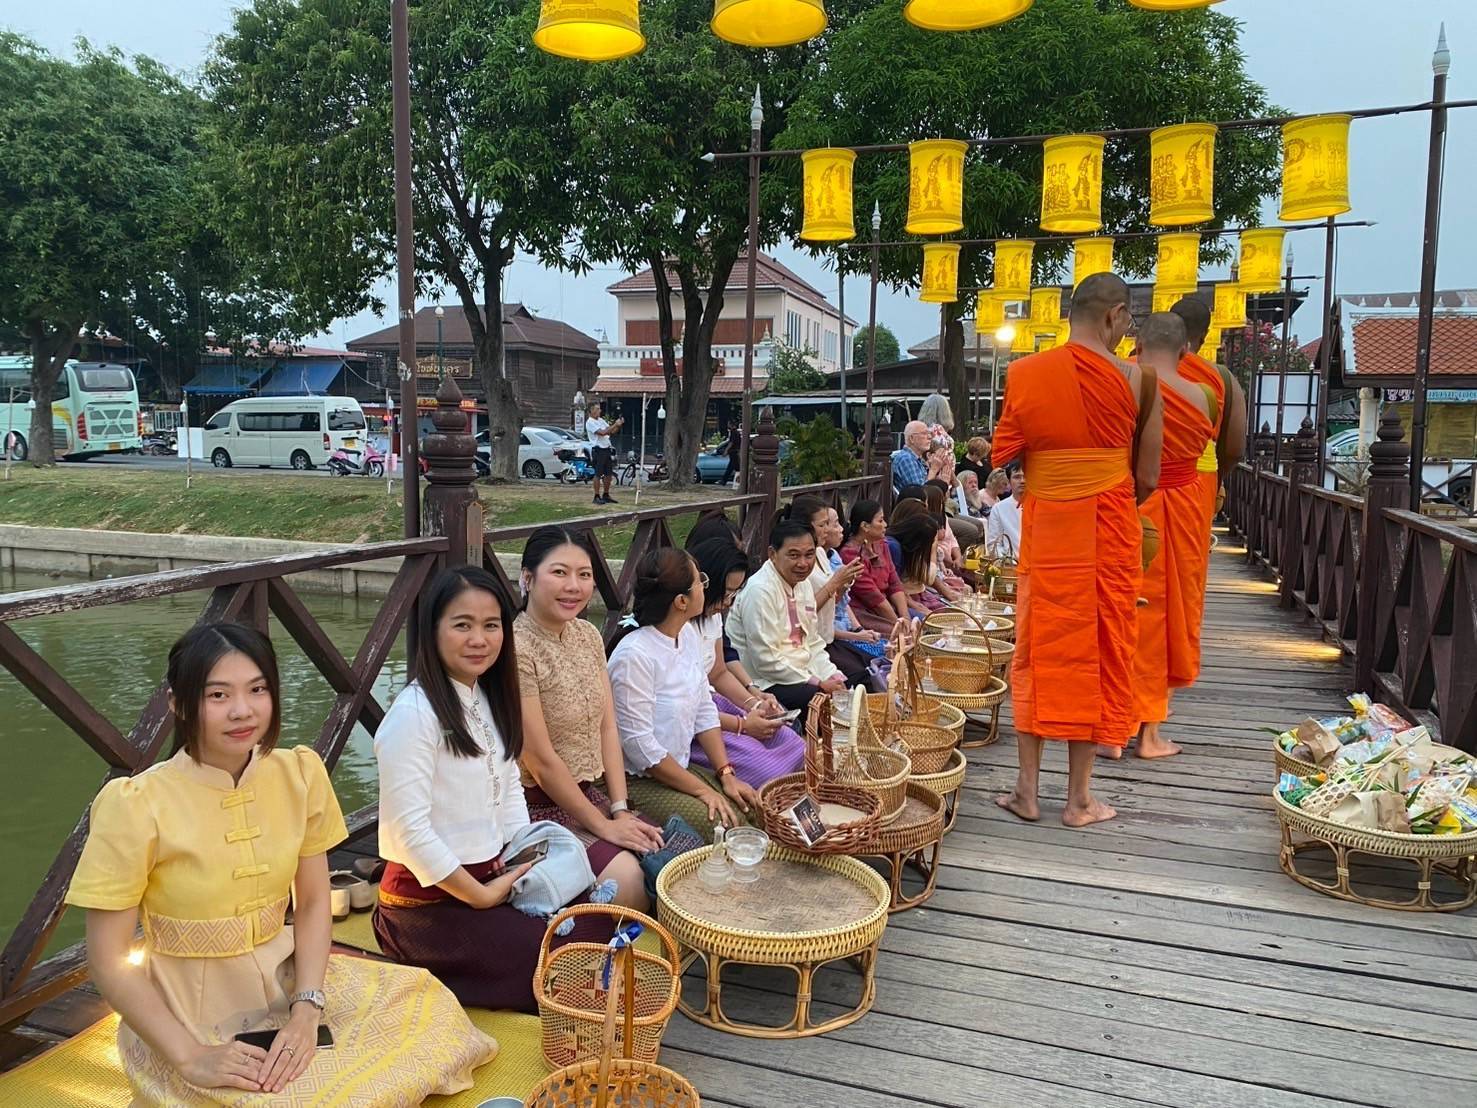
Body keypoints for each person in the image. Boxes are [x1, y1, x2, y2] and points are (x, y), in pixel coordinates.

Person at [66, 623, 494, 1105]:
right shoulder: (134, 804)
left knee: (427, 1004)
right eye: (217, 695)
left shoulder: (298, 773)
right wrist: (189, 1056)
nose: (242, 711)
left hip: (289, 977)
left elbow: (312, 902)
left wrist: (307, 1008)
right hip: (186, 1011)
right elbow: (107, 960)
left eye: (257, 689)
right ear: (179, 704)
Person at [372, 567, 628, 1012]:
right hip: (425, 905)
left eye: (491, 626)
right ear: (433, 631)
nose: (479, 639)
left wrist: (525, 857)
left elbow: (510, 788)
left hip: (495, 877)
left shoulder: (484, 698)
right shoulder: (414, 714)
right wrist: (482, 895)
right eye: (462, 625)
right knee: (561, 960)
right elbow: (407, 832)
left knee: (593, 926)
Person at [990, 271, 1163, 828]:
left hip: (1047, 528)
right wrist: (1101, 484)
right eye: (1128, 321)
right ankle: (1080, 799)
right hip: (1108, 525)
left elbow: (1006, 453)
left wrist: (1062, 479)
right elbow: (1150, 476)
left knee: (1038, 651)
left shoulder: (1025, 372)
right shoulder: (1139, 380)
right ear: (1115, 316)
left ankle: (1026, 792)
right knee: (1101, 647)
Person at [514, 527, 665, 904]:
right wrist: (605, 828)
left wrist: (619, 809)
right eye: (560, 572)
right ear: (527, 577)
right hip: (537, 808)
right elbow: (541, 762)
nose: (574, 586)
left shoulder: (587, 635)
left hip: (589, 794)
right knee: (630, 882)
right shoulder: (515, 649)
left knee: (667, 853)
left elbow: (607, 727)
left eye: (584, 575)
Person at [608, 550, 765, 839]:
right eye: (699, 581)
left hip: (675, 768)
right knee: (722, 825)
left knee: (753, 806)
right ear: (681, 601)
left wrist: (726, 774)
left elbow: (703, 709)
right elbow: (641, 747)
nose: (705, 586)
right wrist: (704, 790)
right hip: (637, 778)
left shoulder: (687, 634)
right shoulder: (634, 656)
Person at [1129, 314, 1216, 760]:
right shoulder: (1202, 393)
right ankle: (1149, 734)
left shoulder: (1122, 382)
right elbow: (1226, 450)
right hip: (1180, 510)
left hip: (1125, 505)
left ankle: (1109, 734)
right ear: (1186, 352)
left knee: (1123, 609)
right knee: (1165, 615)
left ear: (1137, 345)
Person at [687, 537, 808, 788]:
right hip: (696, 719)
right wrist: (742, 725)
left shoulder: (711, 618)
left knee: (795, 744)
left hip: (715, 706)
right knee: (767, 769)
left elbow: (719, 672)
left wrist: (755, 703)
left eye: (735, 592)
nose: (729, 601)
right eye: (726, 592)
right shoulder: (679, 627)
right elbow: (686, 707)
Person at [726, 519, 850, 727]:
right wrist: (818, 682)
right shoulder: (760, 591)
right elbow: (765, 661)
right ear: (772, 554)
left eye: (809, 555)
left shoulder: (801, 585)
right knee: (825, 705)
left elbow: (812, 641)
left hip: (801, 672)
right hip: (762, 681)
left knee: (848, 689)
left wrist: (832, 675)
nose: (803, 563)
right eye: (794, 555)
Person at [785, 495, 875, 688]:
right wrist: (836, 583)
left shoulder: (820, 553)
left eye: (829, 523)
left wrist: (842, 584)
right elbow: (803, 613)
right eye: (823, 524)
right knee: (861, 677)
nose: (828, 530)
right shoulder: (798, 565)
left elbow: (831, 603)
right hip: (811, 643)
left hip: (825, 639)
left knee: (873, 665)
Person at [840, 498, 913, 633]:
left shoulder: (882, 544)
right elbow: (873, 597)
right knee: (901, 636)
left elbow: (894, 583)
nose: (885, 524)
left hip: (889, 606)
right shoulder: (850, 554)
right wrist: (898, 624)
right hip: (865, 613)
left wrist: (905, 617)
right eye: (880, 521)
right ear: (865, 526)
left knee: (922, 623)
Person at [891, 512, 955, 611]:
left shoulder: (912, 551)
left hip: (919, 595)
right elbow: (929, 578)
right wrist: (933, 548)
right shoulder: (896, 549)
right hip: (909, 598)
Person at [584, 401, 624, 506]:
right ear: (591, 410)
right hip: (598, 450)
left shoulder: (601, 420)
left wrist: (618, 425)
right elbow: (602, 433)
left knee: (609, 474)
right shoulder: (590, 422)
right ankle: (596, 496)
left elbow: (610, 431)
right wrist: (614, 424)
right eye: (597, 409)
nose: (599, 411)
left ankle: (606, 494)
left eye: (599, 409)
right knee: (598, 474)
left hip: (606, 448)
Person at [986, 468, 1026, 557]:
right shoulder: (999, 508)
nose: (1022, 481)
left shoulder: (1042, 506)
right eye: (1017, 477)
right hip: (1011, 564)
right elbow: (994, 544)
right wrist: (1006, 560)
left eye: (1026, 476)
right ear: (1009, 482)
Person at [890, 420, 935, 494]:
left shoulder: (915, 458)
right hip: (912, 504)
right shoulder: (906, 459)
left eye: (929, 433)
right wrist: (933, 470)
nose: (929, 437)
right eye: (924, 433)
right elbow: (919, 492)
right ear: (912, 438)